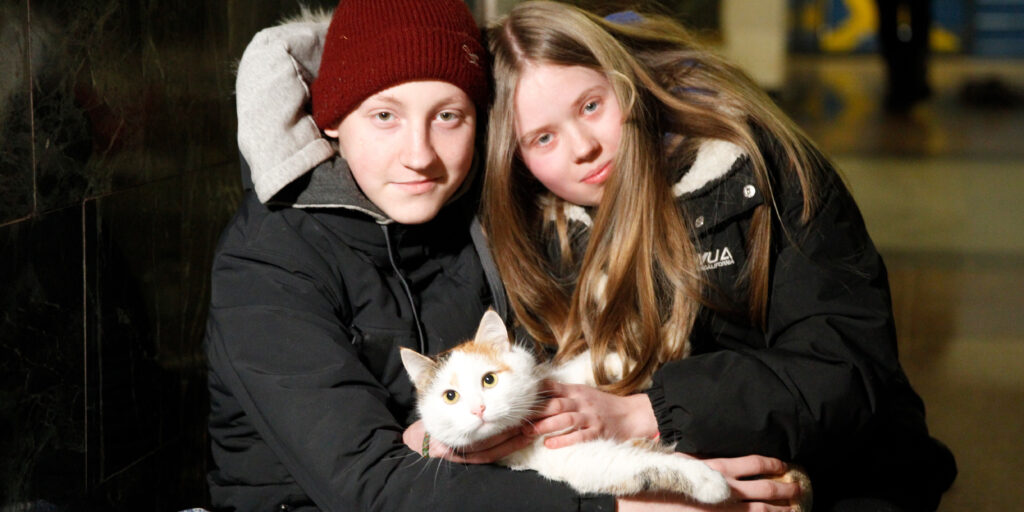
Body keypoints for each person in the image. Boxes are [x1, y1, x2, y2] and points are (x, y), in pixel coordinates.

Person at [205, 1, 799, 511]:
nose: (419, 154)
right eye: (385, 116)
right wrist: (629, 506)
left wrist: (680, 464)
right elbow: (367, 483)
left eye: (448, 117)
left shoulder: (486, 215)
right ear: (333, 120)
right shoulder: (267, 262)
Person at [481, 2, 957, 511]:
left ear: (628, 81)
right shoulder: (534, 230)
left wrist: (646, 413)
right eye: (543, 138)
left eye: (592, 106)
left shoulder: (762, 170)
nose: (583, 147)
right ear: (516, 159)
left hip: (841, 470)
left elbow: (846, 368)